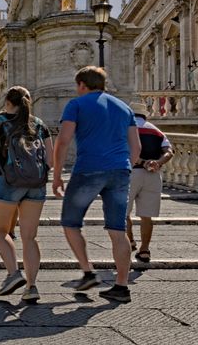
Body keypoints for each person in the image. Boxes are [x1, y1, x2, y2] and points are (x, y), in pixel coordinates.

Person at [53, 66, 140, 303]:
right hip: (120, 171)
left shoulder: (77, 105)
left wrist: (57, 174)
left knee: (70, 222)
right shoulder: (124, 108)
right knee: (118, 231)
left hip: (89, 170)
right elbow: (137, 147)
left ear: (82, 84)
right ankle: (121, 286)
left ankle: (88, 271)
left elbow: (63, 141)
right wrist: (125, 167)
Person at [0, 86, 53, 302]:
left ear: (7, 102)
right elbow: (50, 161)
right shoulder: (40, 125)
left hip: (7, 182)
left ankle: (13, 273)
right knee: (30, 237)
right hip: (36, 184)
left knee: (1, 232)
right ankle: (32, 286)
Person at [125, 101, 174, 264]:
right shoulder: (156, 131)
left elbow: (122, 150)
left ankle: (130, 240)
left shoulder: (125, 128)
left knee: (123, 212)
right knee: (147, 216)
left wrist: (142, 161)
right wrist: (158, 163)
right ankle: (145, 250)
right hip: (153, 176)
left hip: (130, 173)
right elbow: (169, 151)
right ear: (145, 114)